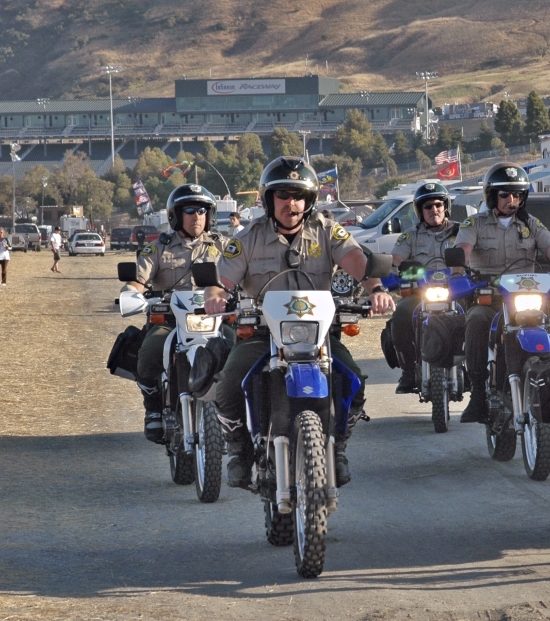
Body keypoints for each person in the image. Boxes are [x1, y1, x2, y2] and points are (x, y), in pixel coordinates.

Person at [203, 157, 394, 488]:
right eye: (283, 195)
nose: (291, 203)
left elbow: (358, 263)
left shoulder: (327, 231)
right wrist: (216, 296)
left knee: (354, 382)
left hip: (316, 335)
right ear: (268, 199)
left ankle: (338, 446)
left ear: (310, 200)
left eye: (299, 196)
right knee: (230, 383)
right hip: (262, 332)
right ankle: (240, 451)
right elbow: (222, 279)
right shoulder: (247, 237)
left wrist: (377, 290)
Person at [453, 162, 550, 423]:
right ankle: (478, 395)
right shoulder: (475, 223)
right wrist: (459, 263)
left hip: (527, 299)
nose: (511, 199)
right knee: (475, 320)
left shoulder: (532, 224)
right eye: (505, 194)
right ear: (492, 196)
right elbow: (463, 247)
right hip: (491, 298)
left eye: (517, 194)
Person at [122, 184, 226, 442]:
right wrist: (130, 293)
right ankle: (153, 406)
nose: (196, 216)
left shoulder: (223, 245)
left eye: (202, 210)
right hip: (170, 319)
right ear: (175, 215)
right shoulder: (158, 248)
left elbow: (243, 273)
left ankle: (236, 409)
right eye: (189, 210)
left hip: (213, 320)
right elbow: (138, 279)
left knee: (240, 350)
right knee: (148, 353)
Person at [386, 182, 460, 394]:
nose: (433, 210)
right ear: (420, 211)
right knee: (400, 316)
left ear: (445, 207)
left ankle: (475, 370)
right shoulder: (411, 235)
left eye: (438, 204)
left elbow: (473, 253)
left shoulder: (461, 232)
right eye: (427, 206)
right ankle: (409, 371)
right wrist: (399, 267)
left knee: (475, 320)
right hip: (422, 292)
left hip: (456, 290)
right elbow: (396, 259)